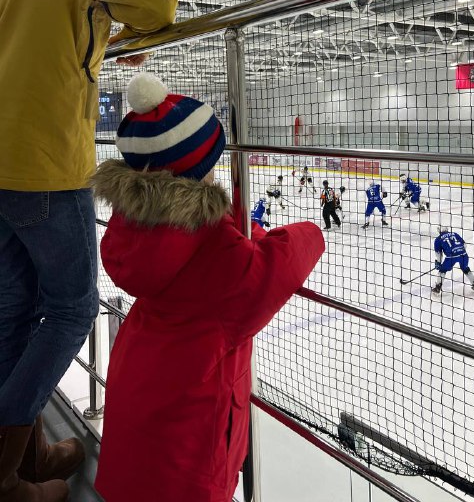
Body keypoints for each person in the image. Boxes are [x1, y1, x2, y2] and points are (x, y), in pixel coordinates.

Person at [0, 0, 178, 500]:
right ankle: (4, 473)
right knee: (72, 308)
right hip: (43, 159)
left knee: (13, 308)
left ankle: (28, 460)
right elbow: (157, 5)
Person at [93, 74, 325, 502]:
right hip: (188, 455)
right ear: (204, 167)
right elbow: (284, 261)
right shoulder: (225, 257)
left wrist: (237, 228)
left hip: (133, 426)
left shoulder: (132, 231)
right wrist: (304, 231)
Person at [432, 226, 474, 294]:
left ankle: (437, 287)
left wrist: (438, 263)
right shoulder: (455, 234)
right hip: (463, 255)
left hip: (451, 257)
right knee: (465, 268)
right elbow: (464, 245)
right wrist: (459, 251)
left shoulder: (438, 239)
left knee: (442, 270)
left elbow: (438, 253)